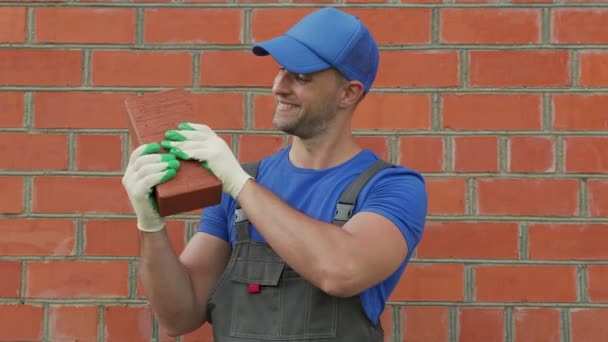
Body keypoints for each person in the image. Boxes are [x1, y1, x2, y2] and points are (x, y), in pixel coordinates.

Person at [121, 7, 428, 341]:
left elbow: (341, 271)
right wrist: (149, 225)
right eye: (281, 70)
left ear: (348, 93)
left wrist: (239, 183)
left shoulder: (392, 188)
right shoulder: (236, 189)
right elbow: (179, 316)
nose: (279, 87)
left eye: (301, 76)